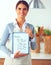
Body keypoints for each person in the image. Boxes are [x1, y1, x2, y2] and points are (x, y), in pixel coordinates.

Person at [0, 0, 37, 65]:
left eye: (24, 9)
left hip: (25, 62)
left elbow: (33, 48)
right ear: (16, 10)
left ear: (27, 11)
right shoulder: (9, 26)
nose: (22, 11)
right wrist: (12, 55)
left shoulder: (31, 27)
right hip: (11, 61)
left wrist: (32, 36)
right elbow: (1, 45)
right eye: (19, 9)